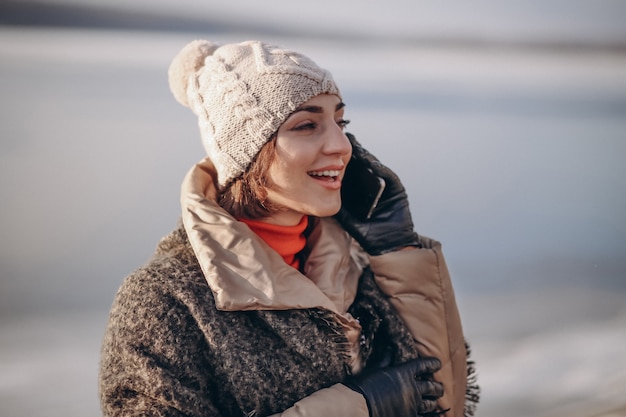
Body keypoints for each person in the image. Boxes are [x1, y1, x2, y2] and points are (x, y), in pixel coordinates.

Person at [99, 39, 479, 417]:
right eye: (307, 125)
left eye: (340, 121)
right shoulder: (167, 300)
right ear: (245, 152)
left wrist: (397, 253)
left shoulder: (355, 264)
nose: (341, 145)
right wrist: (356, 408)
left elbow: (441, 402)